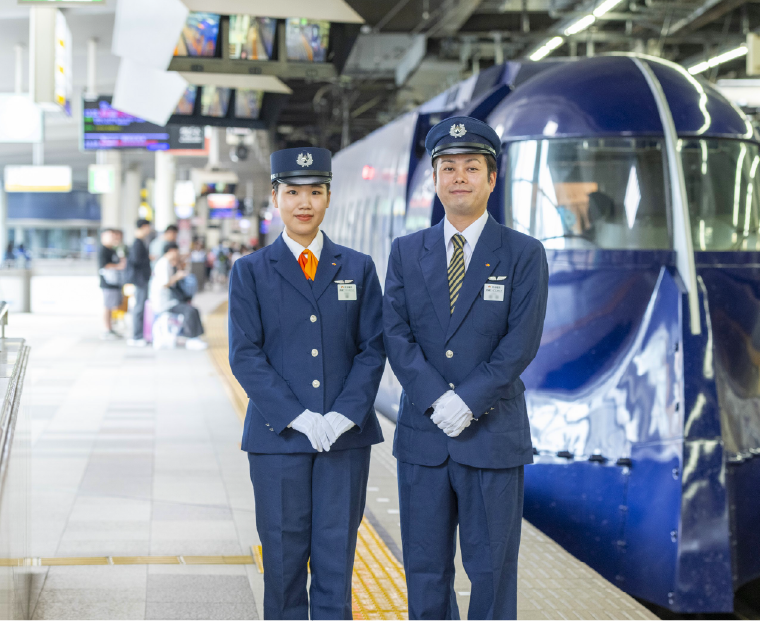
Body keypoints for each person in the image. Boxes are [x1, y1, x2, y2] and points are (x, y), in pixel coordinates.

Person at [383, 116, 549, 621]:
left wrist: (468, 400)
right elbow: (395, 334)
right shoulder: (407, 252)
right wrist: (438, 400)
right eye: (448, 167)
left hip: (493, 435)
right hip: (424, 439)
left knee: (492, 571)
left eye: (471, 167)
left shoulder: (524, 254)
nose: (459, 177)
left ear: (491, 179)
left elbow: (521, 343)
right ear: (434, 179)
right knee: (425, 569)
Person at [228, 146, 386, 621]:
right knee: (282, 563)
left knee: (337, 562)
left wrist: (343, 414)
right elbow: (244, 355)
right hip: (278, 441)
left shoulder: (358, 268)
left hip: (345, 440)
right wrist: (297, 416)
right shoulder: (251, 271)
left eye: (314, 192)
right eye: (292, 192)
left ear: (329, 198)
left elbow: (373, 348)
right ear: (275, 198)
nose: (304, 202)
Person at [150, 242, 207, 350]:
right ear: (171, 251)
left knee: (193, 309)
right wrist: (177, 276)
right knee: (189, 311)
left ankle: (195, 337)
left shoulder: (167, 263)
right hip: (165, 303)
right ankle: (192, 338)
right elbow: (164, 284)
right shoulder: (163, 264)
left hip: (170, 301)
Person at [127, 219, 152, 346]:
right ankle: (136, 336)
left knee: (140, 306)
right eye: (148, 227)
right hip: (140, 280)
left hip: (141, 279)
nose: (149, 230)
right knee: (139, 307)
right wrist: (147, 262)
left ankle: (139, 335)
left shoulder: (139, 242)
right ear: (143, 227)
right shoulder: (138, 243)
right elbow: (136, 261)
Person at [98, 229, 126, 340]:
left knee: (112, 306)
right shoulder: (103, 250)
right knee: (107, 307)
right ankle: (106, 329)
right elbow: (104, 265)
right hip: (108, 283)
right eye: (111, 236)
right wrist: (119, 266)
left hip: (115, 282)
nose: (114, 238)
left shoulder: (114, 249)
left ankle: (110, 328)